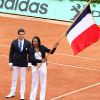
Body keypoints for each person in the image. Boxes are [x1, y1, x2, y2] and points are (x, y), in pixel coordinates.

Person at [28, 36, 59, 100]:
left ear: (38, 41)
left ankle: (42, 98)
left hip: (43, 67)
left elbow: (51, 52)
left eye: (35, 41)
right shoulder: (30, 49)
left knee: (43, 83)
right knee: (34, 83)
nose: (34, 42)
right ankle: (32, 98)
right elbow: (32, 59)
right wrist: (40, 61)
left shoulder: (42, 47)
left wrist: (55, 46)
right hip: (35, 67)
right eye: (33, 41)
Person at [6, 28, 31, 100]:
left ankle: (22, 94)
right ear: (18, 34)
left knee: (23, 79)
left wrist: (29, 64)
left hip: (23, 64)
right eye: (20, 34)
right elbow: (11, 53)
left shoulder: (28, 43)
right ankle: (12, 93)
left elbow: (30, 54)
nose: (22, 36)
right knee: (14, 79)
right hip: (15, 63)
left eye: (23, 34)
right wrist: (10, 63)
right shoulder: (14, 42)